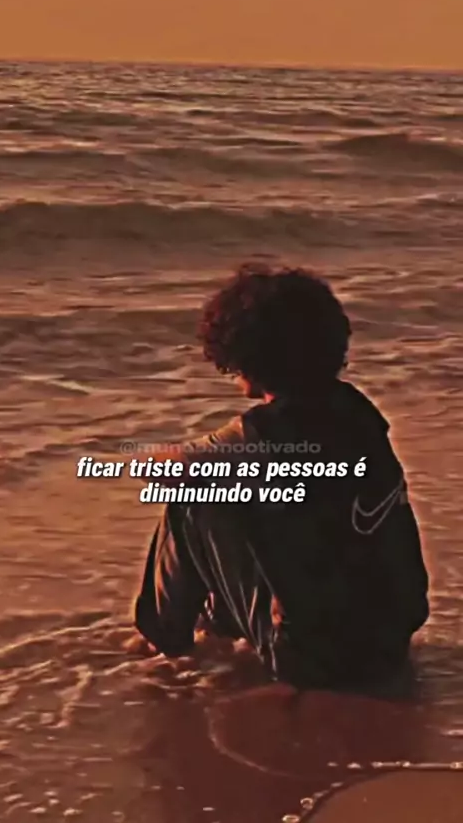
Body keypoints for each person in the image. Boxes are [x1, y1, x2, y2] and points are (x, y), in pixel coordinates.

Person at [132, 264, 429, 689]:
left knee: (195, 496)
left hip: (314, 660)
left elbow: (155, 469)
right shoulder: (359, 413)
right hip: (389, 642)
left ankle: (161, 641)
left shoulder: (267, 432)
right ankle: (218, 625)